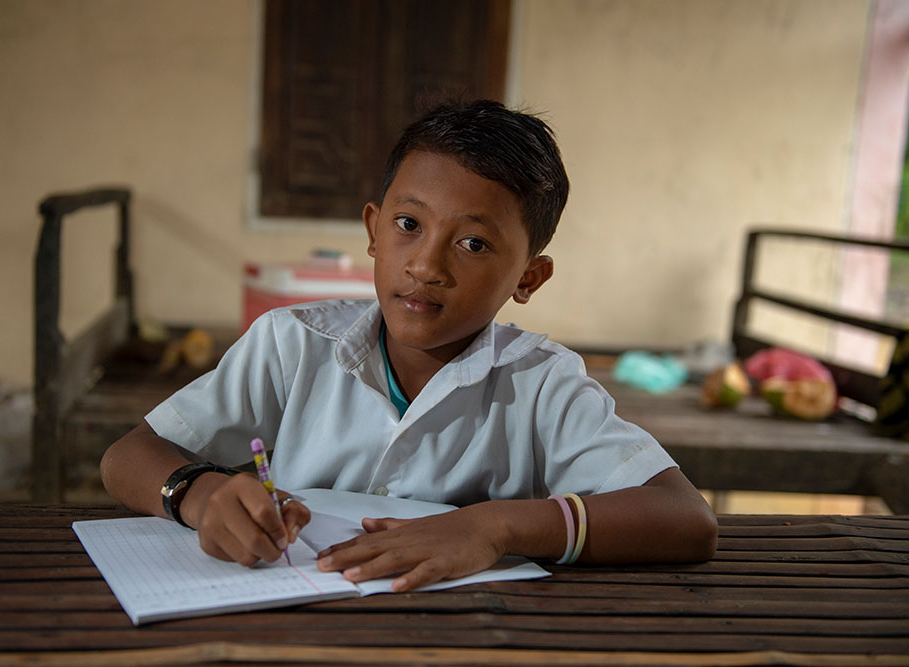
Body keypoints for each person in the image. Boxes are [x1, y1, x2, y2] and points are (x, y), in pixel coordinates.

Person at [100, 100, 717, 593]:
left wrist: (494, 525)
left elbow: (685, 519)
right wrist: (198, 493)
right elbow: (128, 457)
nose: (425, 265)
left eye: (473, 243)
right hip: (297, 617)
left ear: (528, 277)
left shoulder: (540, 384)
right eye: (408, 225)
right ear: (373, 231)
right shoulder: (293, 346)